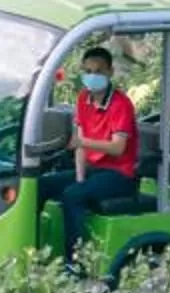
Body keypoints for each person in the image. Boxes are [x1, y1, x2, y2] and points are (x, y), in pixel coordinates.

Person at [57, 44, 141, 270]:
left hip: (120, 174)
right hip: (94, 170)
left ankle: (77, 262)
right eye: (88, 71)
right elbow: (80, 144)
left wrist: (82, 143)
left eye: (98, 71)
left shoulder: (120, 104)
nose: (92, 76)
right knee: (42, 185)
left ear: (110, 73)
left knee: (72, 196)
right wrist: (79, 177)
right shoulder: (83, 98)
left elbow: (118, 147)